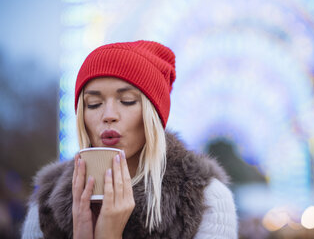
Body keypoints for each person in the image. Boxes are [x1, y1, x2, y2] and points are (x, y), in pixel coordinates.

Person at [21, 40, 238, 238]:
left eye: (127, 101)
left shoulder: (206, 198)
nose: (108, 115)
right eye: (94, 104)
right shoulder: (46, 203)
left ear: (153, 114)